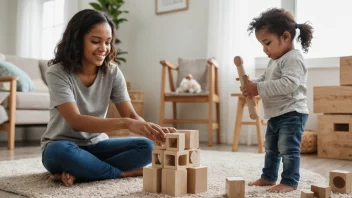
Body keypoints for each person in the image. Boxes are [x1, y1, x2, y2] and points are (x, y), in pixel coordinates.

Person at [40, 9, 176, 187]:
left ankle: (83, 172)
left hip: (97, 146)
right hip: (62, 146)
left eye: (108, 42)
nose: (104, 49)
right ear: (77, 40)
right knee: (60, 151)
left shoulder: (112, 72)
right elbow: (76, 121)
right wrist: (126, 123)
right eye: (96, 41)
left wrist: (154, 131)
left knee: (146, 147)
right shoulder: (57, 73)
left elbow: (131, 115)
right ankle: (123, 173)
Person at [241, 8, 313, 193]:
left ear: (285, 37)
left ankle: (289, 181)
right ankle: (268, 176)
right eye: (262, 45)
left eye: (267, 43)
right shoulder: (274, 60)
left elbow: (288, 84)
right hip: (276, 114)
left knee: (288, 150)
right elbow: (266, 79)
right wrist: (252, 83)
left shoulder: (293, 59)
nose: (265, 49)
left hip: (292, 113)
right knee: (271, 148)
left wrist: (257, 88)